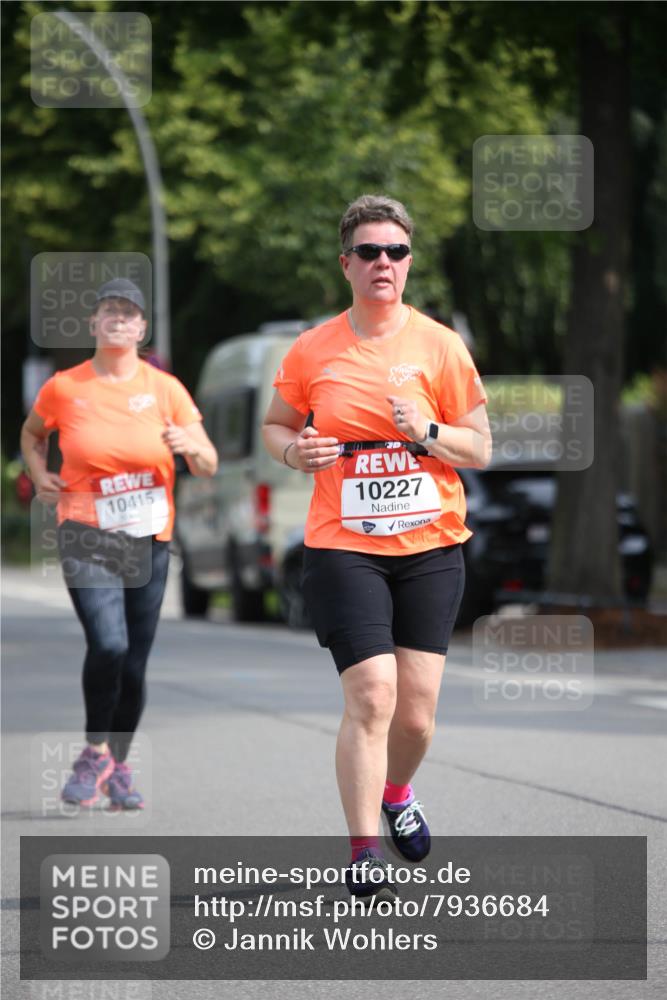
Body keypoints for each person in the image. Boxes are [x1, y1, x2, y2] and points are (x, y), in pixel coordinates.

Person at [262, 195, 491, 900]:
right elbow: (276, 426)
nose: (382, 263)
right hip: (344, 546)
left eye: (395, 251)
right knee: (372, 695)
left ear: (408, 262)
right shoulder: (313, 348)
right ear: (347, 265)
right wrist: (295, 451)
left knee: (414, 715)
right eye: (369, 252)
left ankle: (397, 793)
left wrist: (427, 431)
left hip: (429, 546)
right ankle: (363, 852)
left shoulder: (440, 345)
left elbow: (480, 447)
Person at [20, 277, 218, 810]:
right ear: (94, 323)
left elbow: (208, 462)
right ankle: (94, 752)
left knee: (133, 662)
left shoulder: (166, 389)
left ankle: (119, 767)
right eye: (109, 311)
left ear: (141, 328)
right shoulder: (65, 387)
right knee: (108, 644)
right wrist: (38, 473)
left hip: (149, 538)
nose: (118, 320)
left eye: (128, 313)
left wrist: (189, 446)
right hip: (86, 532)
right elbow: (32, 434)